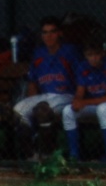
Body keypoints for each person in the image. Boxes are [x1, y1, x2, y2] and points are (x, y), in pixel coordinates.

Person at [13, 18, 81, 158]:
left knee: (43, 111)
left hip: (65, 95)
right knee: (18, 111)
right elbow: (32, 82)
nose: (48, 36)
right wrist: (31, 103)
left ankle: (46, 155)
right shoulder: (39, 53)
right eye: (45, 32)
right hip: (44, 97)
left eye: (52, 32)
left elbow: (81, 77)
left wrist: (79, 98)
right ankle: (31, 156)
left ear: (59, 33)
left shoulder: (70, 51)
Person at [63, 40, 106, 163]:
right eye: (90, 55)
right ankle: (74, 158)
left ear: (103, 53)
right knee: (68, 111)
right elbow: (80, 93)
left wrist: (84, 102)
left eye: (96, 54)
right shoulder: (83, 66)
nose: (93, 58)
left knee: (104, 109)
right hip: (95, 103)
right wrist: (77, 101)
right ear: (85, 55)